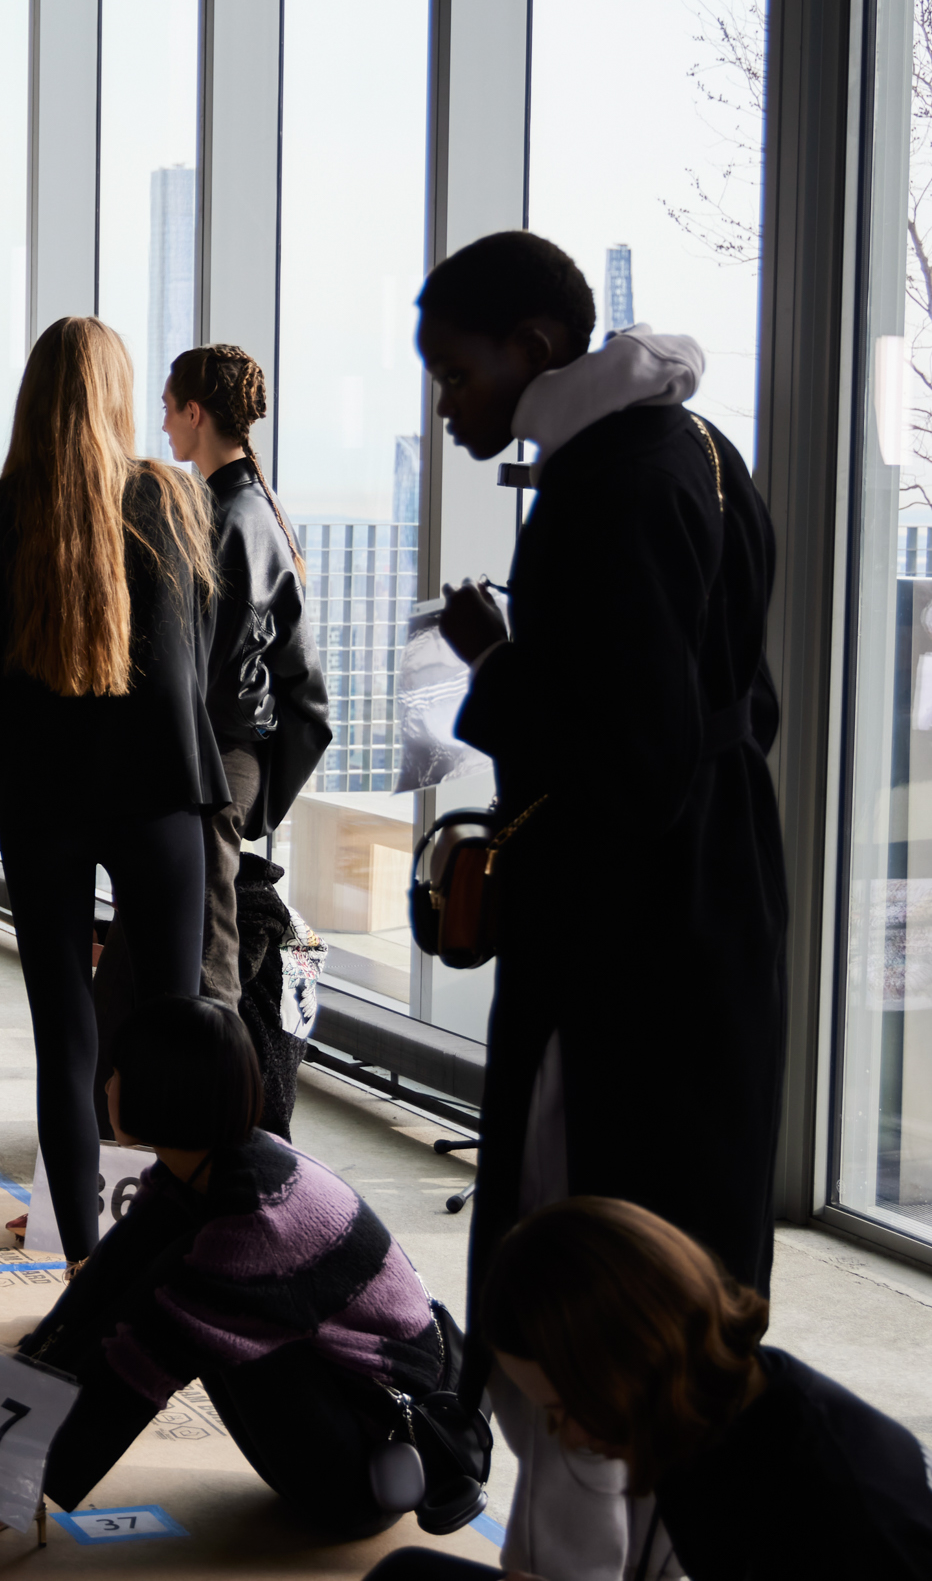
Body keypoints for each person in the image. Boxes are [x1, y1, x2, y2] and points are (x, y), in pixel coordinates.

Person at [415, 230, 788, 1577]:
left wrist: (498, 661)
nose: (448, 402)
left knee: (579, 1281)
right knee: (683, 1287)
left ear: (534, 343)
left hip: (626, 957)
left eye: (458, 370)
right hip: (713, 926)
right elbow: (743, 708)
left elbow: (631, 758)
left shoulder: (606, 488)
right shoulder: (700, 456)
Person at [0, 996, 457, 1567]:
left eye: (119, 1073)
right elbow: (87, 1306)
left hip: (372, 1466)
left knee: (173, 1326)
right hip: (337, 1417)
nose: (106, 1087)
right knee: (126, 1299)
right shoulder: (203, 1171)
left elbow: (131, 1376)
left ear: (161, 1089)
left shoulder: (256, 1219)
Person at [0, 317, 224, 1265]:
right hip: (160, 794)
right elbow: (201, 662)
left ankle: (80, 1265)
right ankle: (179, 1258)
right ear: (118, 393)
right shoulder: (175, 499)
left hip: (43, 799)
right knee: (177, 1027)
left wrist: (42, 721)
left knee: (63, 1038)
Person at [362, 1198, 932, 1581]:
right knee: (407, 1575)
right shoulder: (698, 1411)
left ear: (628, 1360)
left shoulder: (848, 1499)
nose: (566, 1435)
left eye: (564, 1408)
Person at [160, 343, 330, 1133]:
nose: (162, 422)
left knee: (209, 947)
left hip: (216, 756)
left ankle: (218, 1116)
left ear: (197, 413)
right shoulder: (254, 508)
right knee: (205, 932)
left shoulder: (225, 515)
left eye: (170, 407)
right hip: (240, 754)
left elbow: (204, 661)